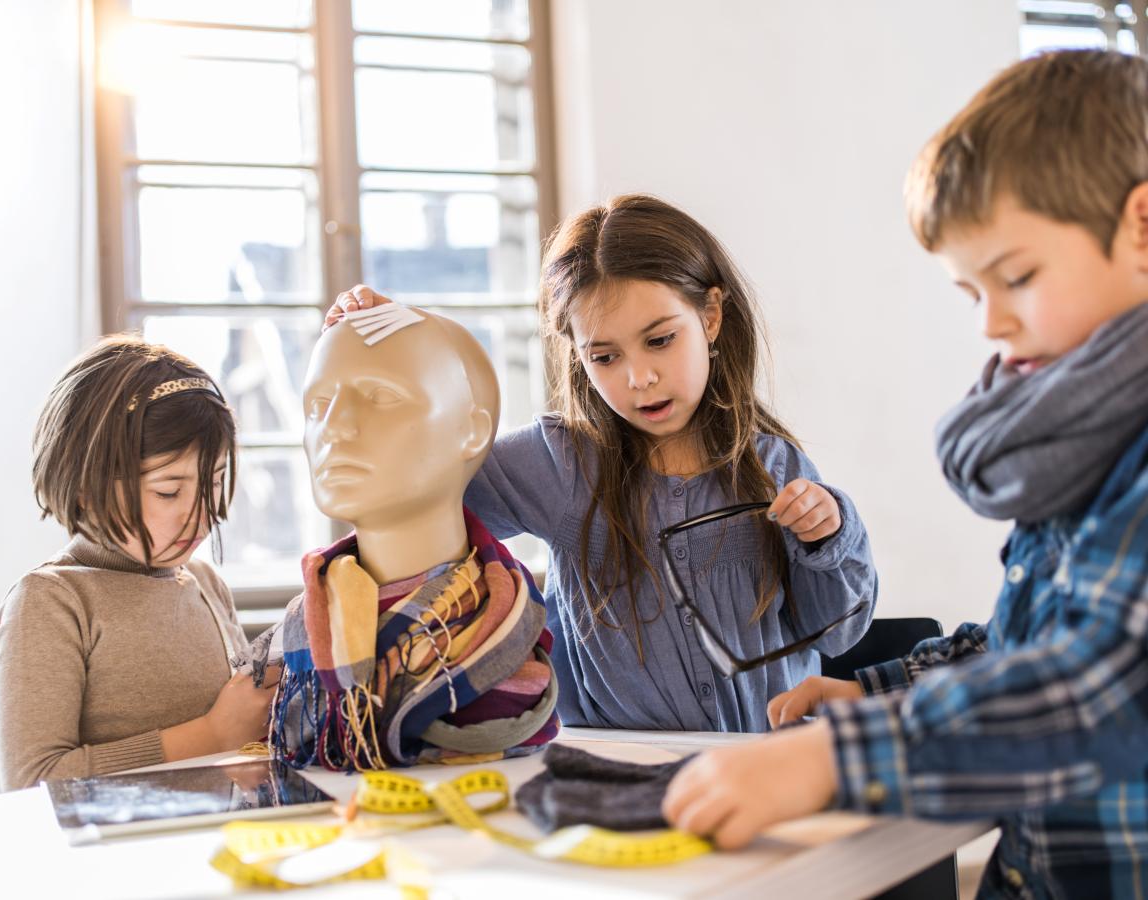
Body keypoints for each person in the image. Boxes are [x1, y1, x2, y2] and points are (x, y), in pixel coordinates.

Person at [662, 49, 1148, 898]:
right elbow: (1030, 645)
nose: (993, 322)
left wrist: (837, 759)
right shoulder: (1088, 436)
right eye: (971, 293)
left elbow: (1102, 690)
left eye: (1019, 277)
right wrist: (877, 693)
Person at [327, 193, 878, 734]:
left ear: (710, 316)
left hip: (772, 767)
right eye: (605, 357)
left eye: (660, 340)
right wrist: (397, 346)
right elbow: (418, 500)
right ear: (577, 352)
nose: (639, 378)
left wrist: (828, 534)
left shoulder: (774, 466)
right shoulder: (559, 463)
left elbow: (836, 634)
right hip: (617, 773)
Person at [268, 306, 558, 771]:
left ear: (472, 430)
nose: (334, 427)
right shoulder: (300, 640)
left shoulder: (510, 635)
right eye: (318, 406)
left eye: (381, 396)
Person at [0, 336, 276, 790]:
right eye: (168, 490)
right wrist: (212, 734)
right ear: (87, 485)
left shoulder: (205, 581)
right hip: (119, 860)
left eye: (216, 482)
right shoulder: (50, 602)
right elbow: (32, 781)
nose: (202, 513)